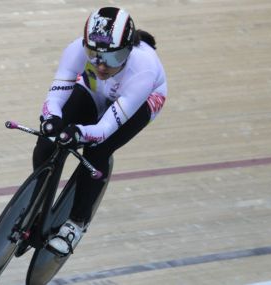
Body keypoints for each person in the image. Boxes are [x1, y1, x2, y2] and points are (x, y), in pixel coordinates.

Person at [32, 7, 168, 256]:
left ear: (128, 51)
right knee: (48, 141)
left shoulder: (144, 68)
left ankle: (76, 223)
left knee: (97, 150)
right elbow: (55, 97)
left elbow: (104, 129)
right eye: (93, 55)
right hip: (97, 89)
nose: (102, 65)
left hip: (142, 98)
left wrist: (79, 133)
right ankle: (35, 204)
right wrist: (51, 121)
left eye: (113, 59)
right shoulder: (76, 50)